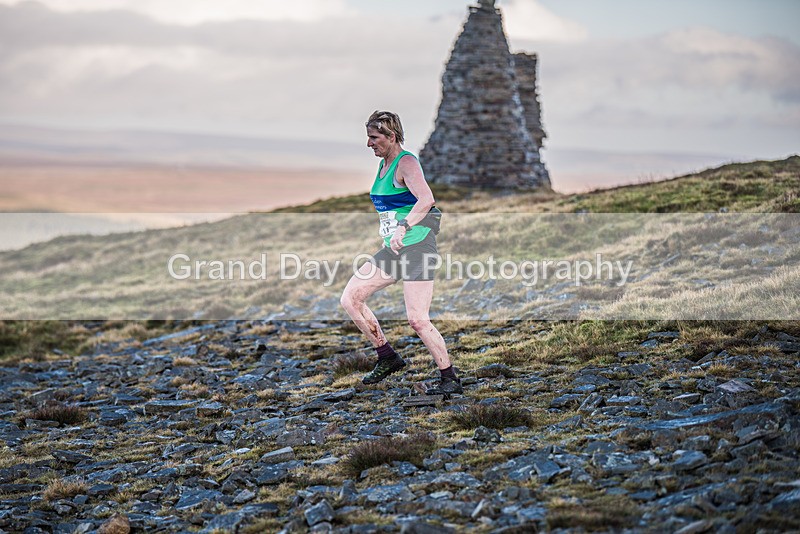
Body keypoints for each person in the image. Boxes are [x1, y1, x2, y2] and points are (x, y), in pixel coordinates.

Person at [339, 110, 462, 396]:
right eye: (368, 137)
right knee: (351, 298)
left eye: (374, 137)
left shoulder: (406, 162)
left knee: (418, 319)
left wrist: (403, 227)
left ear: (391, 136)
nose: (369, 143)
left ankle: (449, 378)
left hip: (417, 246)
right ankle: (387, 356)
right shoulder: (384, 165)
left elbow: (427, 199)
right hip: (393, 250)